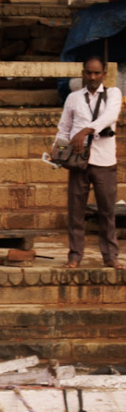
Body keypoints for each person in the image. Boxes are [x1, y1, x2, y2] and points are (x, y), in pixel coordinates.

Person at [59, 55, 121, 267]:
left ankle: (110, 257)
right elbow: (64, 128)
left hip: (104, 160)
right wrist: (60, 153)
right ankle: (75, 256)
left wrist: (86, 130)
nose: (92, 77)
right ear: (83, 73)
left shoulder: (113, 93)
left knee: (107, 211)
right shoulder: (74, 98)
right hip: (78, 161)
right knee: (76, 211)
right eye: (89, 72)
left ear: (104, 74)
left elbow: (111, 116)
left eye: (96, 73)